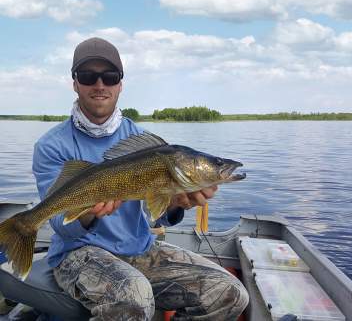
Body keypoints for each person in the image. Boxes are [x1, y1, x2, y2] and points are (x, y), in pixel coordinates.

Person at [32, 37, 248, 320]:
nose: (100, 84)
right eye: (88, 76)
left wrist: (175, 205)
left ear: (120, 84)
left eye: (109, 76)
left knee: (231, 293)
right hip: (78, 253)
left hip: (139, 248)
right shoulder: (52, 145)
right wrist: (88, 214)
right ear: (75, 83)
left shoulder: (142, 141)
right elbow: (62, 226)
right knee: (134, 296)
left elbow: (153, 217)